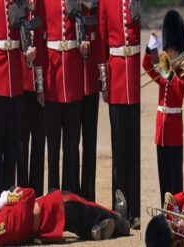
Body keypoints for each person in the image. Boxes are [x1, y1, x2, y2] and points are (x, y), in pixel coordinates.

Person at [0, 0, 37, 200]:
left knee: (13, 147)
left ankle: (9, 197)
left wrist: (28, 54)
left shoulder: (20, 3)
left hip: (16, 84)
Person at [0, 187, 130, 246]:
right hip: (55, 208)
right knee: (87, 207)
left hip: (49, 222)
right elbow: (29, 195)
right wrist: (10, 195)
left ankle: (92, 230)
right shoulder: (2, 224)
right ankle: (120, 220)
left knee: (79, 221)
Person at [98, 0, 141, 229]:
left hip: (134, 79)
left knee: (134, 151)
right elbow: (102, 44)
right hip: (116, 80)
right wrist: (105, 83)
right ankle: (120, 208)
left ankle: (135, 210)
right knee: (120, 151)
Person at [142, 9, 184, 207]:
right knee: (163, 179)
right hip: (160, 132)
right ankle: (166, 212)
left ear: (178, 51)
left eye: (173, 50)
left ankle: (176, 214)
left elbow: (179, 92)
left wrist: (169, 73)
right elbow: (146, 65)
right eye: (168, 49)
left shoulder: (183, 75)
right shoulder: (162, 72)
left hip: (173, 133)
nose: (170, 53)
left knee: (174, 179)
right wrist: (151, 45)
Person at [39, 0, 88, 194]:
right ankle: (53, 193)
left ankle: (71, 196)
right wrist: (40, 84)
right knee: (52, 148)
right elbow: (40, 44)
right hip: (52, 81)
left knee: (71, 146)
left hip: (73, 81)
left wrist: (85, 47)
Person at [17, 0, 46, 197]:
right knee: (20, 145)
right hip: (19, 84)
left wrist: (41, 85)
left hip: (38, 85)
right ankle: (22, 194)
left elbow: (44, 48)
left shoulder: (41, 5)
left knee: (38, 145)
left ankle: (36, 196)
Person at [79, 0, 102, 202]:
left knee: (89, 143)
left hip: (92, 80)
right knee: (71, 144)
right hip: (73, 80)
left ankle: (88, 195)